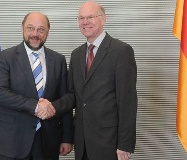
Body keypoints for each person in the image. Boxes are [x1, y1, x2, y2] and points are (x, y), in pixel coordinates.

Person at [39, 1, 137, 160]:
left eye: (90, 17)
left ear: (103, 19)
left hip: (109, 142)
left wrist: (125, 144)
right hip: (82, 141)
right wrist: (52, 106)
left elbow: (127, 101)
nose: (85, 22)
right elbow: (72, 96)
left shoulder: (121, 51)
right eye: (81, 18)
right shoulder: (77, 54)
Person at [0, 12, 74, 160]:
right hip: (12, 141)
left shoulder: (58, 60)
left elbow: (66, 98)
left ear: (48, 31)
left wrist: (67, 137)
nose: (35, 34)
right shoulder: (5, 57)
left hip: (48, 141)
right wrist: (35, 106)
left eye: (41, 29)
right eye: (30, 28)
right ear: (22, 28)